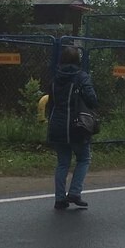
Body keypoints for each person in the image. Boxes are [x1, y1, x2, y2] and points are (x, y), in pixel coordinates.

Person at [46, 44, 98, 210]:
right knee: (84, 158)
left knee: (63, 163)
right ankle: (75, 192)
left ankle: (59, 199)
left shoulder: (55, 79)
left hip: (57, 126)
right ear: (78, 61)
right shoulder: (81, 77)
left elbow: (51, 103)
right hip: (77, 127)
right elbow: (92, 100)